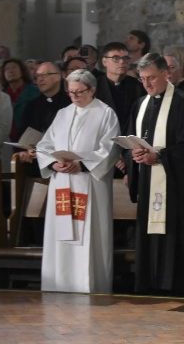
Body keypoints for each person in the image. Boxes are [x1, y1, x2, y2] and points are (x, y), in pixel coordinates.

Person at [125, 53, 184, 296]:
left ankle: (178, 286)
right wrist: (135, 156)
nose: (147, 84)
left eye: (151, 78)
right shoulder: (139, 104)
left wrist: (160, 156)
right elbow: (131, 137)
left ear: (166, 73)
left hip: (177, 186)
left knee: (177, 237)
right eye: (142, 79)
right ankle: (149, 282)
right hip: (148, 184)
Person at [35, 69, 120, 293]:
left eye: (79, 92)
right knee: (61, 237)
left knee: (88, 237)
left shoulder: (105, 113)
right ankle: (58, 284)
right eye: (70, 92)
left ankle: (89, 284)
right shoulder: (63, 113)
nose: (74, 96)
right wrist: (54, 164)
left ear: (92, 90)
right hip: (62, 182)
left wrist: (82, 164)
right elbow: (44, 145)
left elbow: (109, 149)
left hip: (89, 182)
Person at [16, 62, 71, 168]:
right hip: (35, 164)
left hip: (63, 162)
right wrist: (25, 149)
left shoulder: (70, 103)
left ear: (58, 77)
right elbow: (22, 134)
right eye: (37, 76)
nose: (40, 80)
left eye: (44, 75)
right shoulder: (31, 106)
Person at [95, 42, 145, 135]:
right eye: (115, 58)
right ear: (104, 62)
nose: (122, 62)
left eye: (125, 58)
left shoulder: (138, 86)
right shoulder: (94, 86)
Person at [1, 58, 40, 141]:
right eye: (7, 69)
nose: (11, 71)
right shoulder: (1, 95)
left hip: (30, 138)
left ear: (22, 70)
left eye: (14, 67)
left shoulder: (35, 91)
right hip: (7, 140)